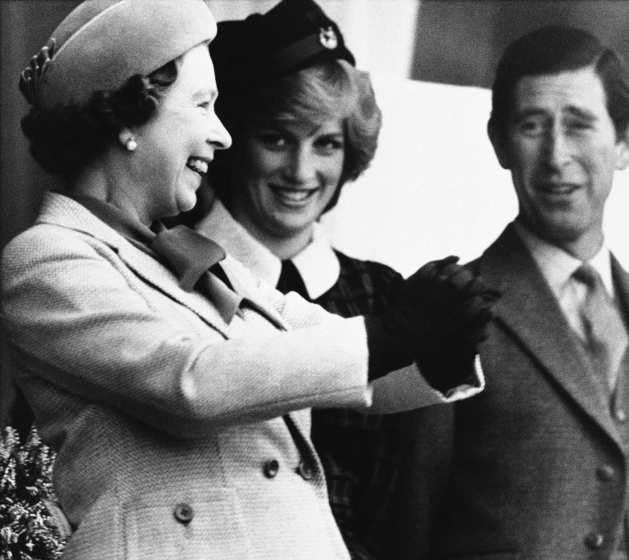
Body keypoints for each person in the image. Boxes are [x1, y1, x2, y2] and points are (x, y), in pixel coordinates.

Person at [1, 1, 496, 559]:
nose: (223, 135)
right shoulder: (47, 259)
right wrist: (393, 333)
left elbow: (327, 353)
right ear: (128, 118)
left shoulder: (180, 250)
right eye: (202, 105)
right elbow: (190, 383)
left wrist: (439, 349)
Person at [182, 1, 413, 557]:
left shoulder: (381, 295)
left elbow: (402, 505)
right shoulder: (166, 266)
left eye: (326, 143)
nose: (301, 172)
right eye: (278, 138)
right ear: (232, 141)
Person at [392, 25, 629, 559]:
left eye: (579, 125)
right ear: (500, 143)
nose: (555, 156)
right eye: (532, 126)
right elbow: (409, 525)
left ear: (623, 143)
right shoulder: (447, 309)